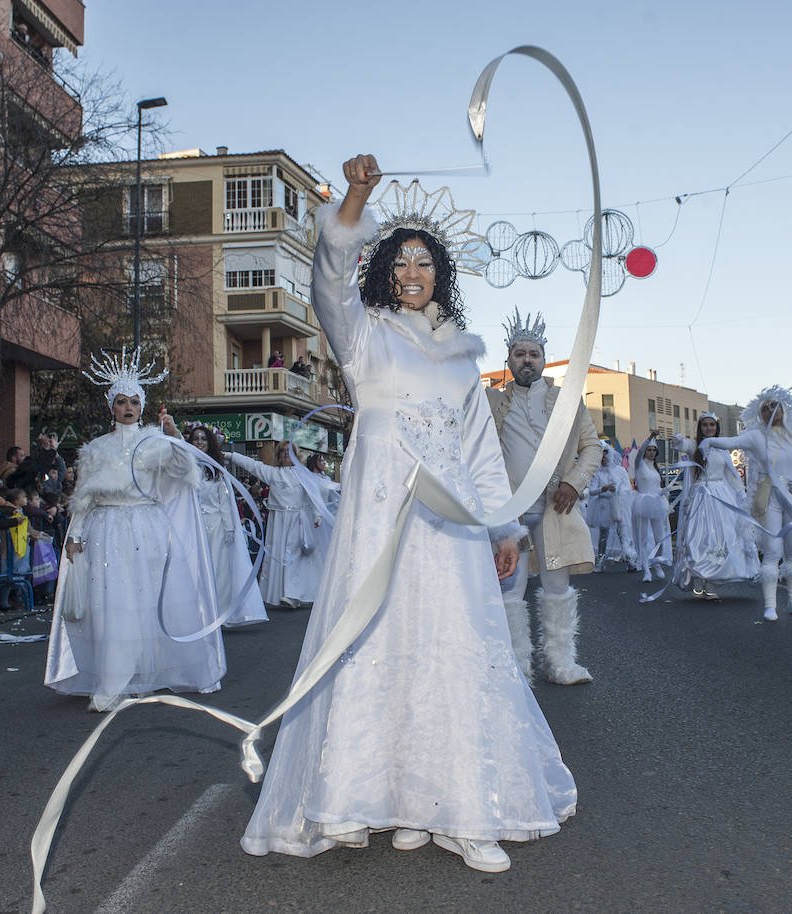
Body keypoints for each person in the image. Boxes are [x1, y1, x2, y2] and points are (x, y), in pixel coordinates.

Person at [240, 155, 575, 873]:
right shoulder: (362, 333)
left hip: (449, 520)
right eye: (402, 261)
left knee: (449, 642)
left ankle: (459, 808)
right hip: (380, 514)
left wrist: (504, 526)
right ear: (386, 270)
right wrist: (357, 197)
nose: (413, 271)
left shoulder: (462, 358)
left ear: (440, 273)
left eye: (425, 261)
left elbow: (481, 453)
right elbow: (327, 273)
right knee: (378, 644)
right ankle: (380, 796)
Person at [44, 350, 225, 711]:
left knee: (147, 602)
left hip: (147, 530)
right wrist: (75, 537)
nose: (128, 407)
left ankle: (149, 672)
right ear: (111, 406)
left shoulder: (156, 441)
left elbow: (182, 473)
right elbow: (84, 497)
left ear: (143, 405)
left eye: (135, 401)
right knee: (112, 605)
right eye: (122, 401)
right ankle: (113, 679)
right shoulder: (95, 448)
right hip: (106, 532)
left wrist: (174, 435)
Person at [486, 306, 600, 684]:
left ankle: (561, 663)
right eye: (520, 354)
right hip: (510, 511)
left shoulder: (567, 400)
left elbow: (591, 447)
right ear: (509, 360)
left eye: (534, 354)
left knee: (557, 587)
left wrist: (574, 482)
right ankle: (516, 668)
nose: (527, 360)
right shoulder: (491, 403)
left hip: (556, 507)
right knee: (509, 589)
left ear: (544, 360)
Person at [699, 387, 792, 621]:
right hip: (771, 499)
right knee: (772, 550)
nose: (770, 410)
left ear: (784, 408)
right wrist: (711, 442)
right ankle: (770, 605)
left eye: (774, 405)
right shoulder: (757, 436)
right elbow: (732, 441)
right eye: (765, 407)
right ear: (760, 413)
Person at [226, 444, 330, 609]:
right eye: (283, 451)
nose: (286, 454)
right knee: (279, 554)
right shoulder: (273, 473)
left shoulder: (303, 474)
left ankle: (292, 594)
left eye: (290, 452)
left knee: (294, 554)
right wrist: (230, 456)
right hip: (278, 521)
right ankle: (282, 591)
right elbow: (252, 465)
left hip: (298, 519)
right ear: (279, 455)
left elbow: (313, 494)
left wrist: (317, 515)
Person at [185, 424, 267, 628]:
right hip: (193, 526)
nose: (200, 442)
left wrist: (229, 527)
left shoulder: (217, 471)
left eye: (204, 439)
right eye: (196, 439)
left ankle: (218, 613)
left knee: (218, 570)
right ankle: (196, 613)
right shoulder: (185, 468)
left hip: (215, 528)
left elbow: (225, 501)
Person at [671, 413, 759, 600]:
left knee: (720, 538)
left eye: (712, 425)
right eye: (704, 425)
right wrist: (677, 438)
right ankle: (698, 580)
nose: (708, 428)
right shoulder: (694, 446)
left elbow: (731, 474)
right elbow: (680, 445)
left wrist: (741, 497)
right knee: (697, 537)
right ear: (700, 427)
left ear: (716, 427)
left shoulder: (721, 448)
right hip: (700, 497)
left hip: (720, 497)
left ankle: (711, 582)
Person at [631, 437, 673, 582]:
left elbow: (656, 486)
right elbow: (640, 451)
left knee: (659, 538)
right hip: (643, 502)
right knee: (642, 539)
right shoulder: (639, 464)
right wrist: (649, 438)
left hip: (656, 503)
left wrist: (663, 491)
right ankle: (646, 571)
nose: (651, 452)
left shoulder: (656, 467)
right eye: (649, 450)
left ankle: (656, 564)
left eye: (654, 450)